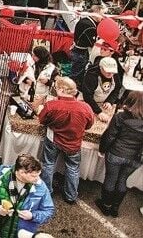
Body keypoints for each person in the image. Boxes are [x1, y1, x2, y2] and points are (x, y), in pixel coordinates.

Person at [37, 76, 94, 204]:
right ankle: (71, 196)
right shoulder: (85, 107)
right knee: (73, 169)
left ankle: (46, 192)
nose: (56, 90)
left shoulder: (52, 105)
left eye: (56, 88)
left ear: (62, 90)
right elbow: (89, 125)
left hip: (53, 140)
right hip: (74, 143)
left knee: (48, 165)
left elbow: (42, 120)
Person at [0, 154, 54, 238]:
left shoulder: (41, 187)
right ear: (21, 172)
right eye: (33, 176)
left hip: (19, 234)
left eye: (38, 174)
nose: (37, 179)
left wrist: (32, 216)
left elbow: (48, 211)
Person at [96, 91, 143, 217]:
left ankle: (106, 206)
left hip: (117, 153)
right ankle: (115, 208)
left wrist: (102, 150)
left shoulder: (120, 117)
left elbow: (110, 136)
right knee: (123, 180)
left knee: (111, 179)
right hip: (136, 157)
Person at [80, 56, 123, 123]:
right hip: (89, 102)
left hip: (104, 103)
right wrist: (99, 112)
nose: (111, 74)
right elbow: (87, 96)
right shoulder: (91, 76)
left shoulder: (114, 74)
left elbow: (117, 89)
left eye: (113, 72)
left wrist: (110, 101)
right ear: (101, 68)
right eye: (108, 72)